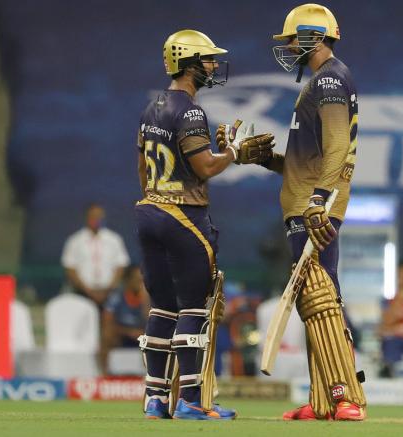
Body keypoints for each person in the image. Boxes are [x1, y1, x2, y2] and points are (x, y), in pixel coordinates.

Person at [217, 4, 365, 420]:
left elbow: (337, 145)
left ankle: (345, 398)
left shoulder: (331, 78)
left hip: (313, 207)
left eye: (292, 39)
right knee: (316, 302)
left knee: (321, 300)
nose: (287, 47)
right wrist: (265, 161)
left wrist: (319, 199)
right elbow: (309, 159)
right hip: (306, 203)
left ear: (313, 37)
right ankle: (325, 400)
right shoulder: (323, 80)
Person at [135, 29, 275, 420]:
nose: (214, 65)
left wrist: (159, 197)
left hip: (150, 209)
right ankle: (192, 400)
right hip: (184, 216)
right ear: (189, 63)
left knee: (162, 307)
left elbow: (142, 168)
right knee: (193, 306)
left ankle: (155, 399)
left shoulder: (152, 107)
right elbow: (206, 166)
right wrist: (233, 150)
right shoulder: (191, 111)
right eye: (208, 59)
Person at [61, 204, 130, 308]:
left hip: (109, 294)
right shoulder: (75, 241)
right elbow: (70, 268)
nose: (96, 219)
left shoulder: (114, 239)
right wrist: (88, 291)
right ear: (87, 218)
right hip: (82, 293)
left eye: (99, 216)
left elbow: (121, 265)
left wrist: (108, 289)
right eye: (93, 216)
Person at [99, 265, 150, 375]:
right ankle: (104, 374)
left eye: (143, 281)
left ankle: (149, 375)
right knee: (106, 335)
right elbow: (107, 320)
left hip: (142, 334)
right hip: (121, 333)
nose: (141, 283)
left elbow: (151, 321)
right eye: (137, 280)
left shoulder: (148, 297)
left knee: (152, 338)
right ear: (129, 280)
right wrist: (128, 332)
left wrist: (145, 300)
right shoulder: (117, 296)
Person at [379, 261, 403, 377]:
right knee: (390, 342)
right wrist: (401, 300)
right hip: (395, 342)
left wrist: (396, 329)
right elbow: (385, 324)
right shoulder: (388, 300)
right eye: (402, 275)